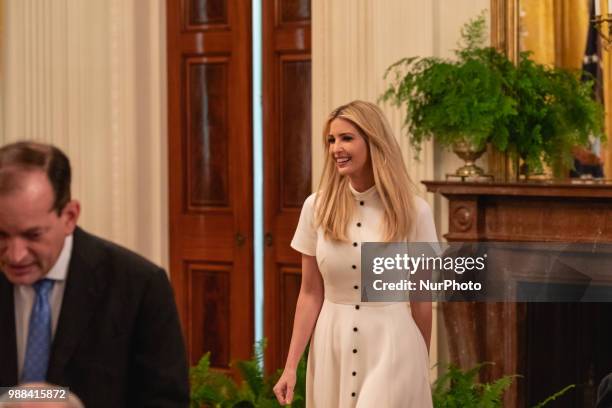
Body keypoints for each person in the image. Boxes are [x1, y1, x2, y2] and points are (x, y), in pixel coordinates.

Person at [0, 142, 189, 407]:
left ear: (69, 216)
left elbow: (165, 402)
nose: (15, 255)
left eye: (33, 235)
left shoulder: (139, 286)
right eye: (2, 235)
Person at [273, 101, 437, 407]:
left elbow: (421, 298)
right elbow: (309, 293)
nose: (336, 148)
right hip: (331, 346)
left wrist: (421, 366)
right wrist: (291, 366)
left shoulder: (415, 212)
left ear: (373, 141)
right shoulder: (316, 208)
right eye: (331, 140)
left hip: (393, 345)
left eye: (347, 138)